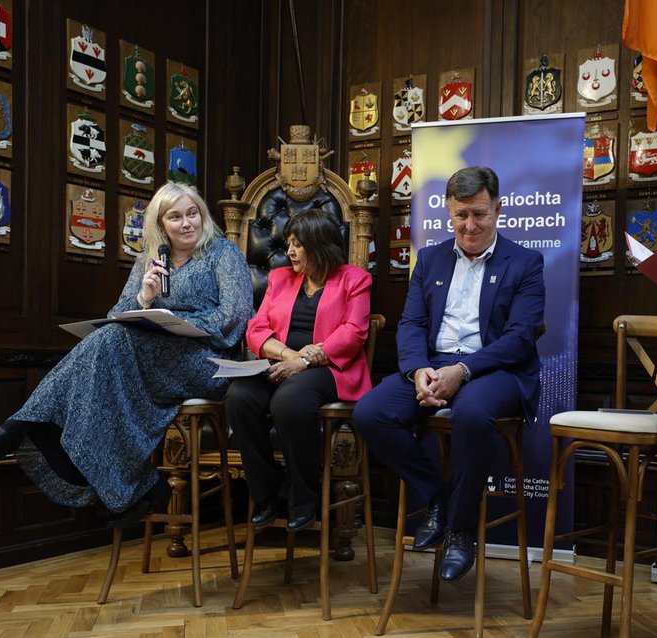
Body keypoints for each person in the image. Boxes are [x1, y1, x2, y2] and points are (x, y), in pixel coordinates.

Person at [0, 182, 254, 525]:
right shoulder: (148, 261)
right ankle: (131, 488)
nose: (187, 223)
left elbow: (233, 320)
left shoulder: (223, 253)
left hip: (207, 364)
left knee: (113, 341)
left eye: (193, 214)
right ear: (161, 224)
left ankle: (25, 426)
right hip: (149, 367)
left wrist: (177, 320)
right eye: (175, 217)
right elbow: (118, 314)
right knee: (112, 338)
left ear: (203, 216)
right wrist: (144, 299)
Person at [353, 166, 545, 582]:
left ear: (498, 209)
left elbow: (520, 338)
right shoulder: (431, 258)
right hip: (433, 365)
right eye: (461, 215)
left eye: (479, 214)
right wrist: (419, 369)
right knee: (370, 414)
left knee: (472, 414)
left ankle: (459, 531)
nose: (469, 225)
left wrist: (462, 370)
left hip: (496, 369)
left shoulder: (526, 262)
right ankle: (438, 496)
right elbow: (411, 324)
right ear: (448, 212)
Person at [224, 209, 372, 533]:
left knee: (289, 401)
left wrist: (306, 361)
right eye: (288, 243)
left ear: (319, 245)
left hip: (330, 368)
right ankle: (265, 492)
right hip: (281, 362)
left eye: (297, 244)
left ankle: (304, 497)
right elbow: (256, 328)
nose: (289, 251)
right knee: (239, 397)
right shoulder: (279, 278)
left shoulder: (355, 279)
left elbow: (354, 332)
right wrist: (289, 355)